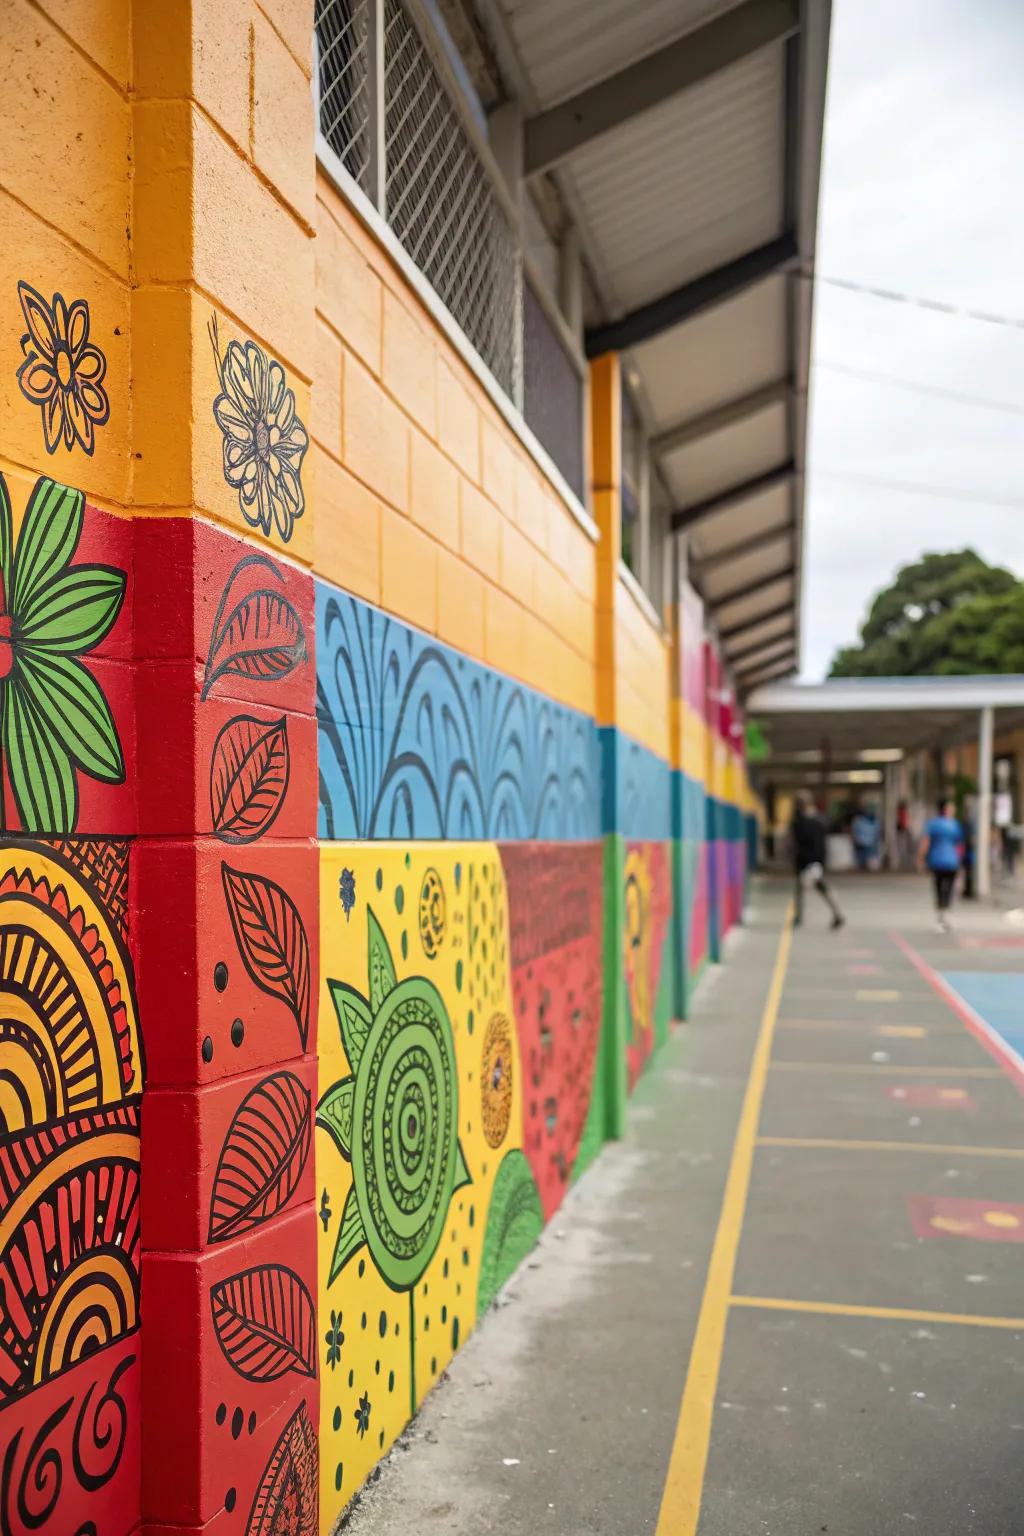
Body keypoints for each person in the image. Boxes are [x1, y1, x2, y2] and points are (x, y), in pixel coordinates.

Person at [792, 793, 844, 929]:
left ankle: (800, 916)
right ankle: (836, 915)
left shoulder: (808, 822)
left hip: (812, 862)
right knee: (819, 888)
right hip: (808, 861)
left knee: (805, 886)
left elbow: (815, 844)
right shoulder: (805, 820)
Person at [919, 797, 963, 933]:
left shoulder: (932, 824)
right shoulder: (954, 824)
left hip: (937, 861)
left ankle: (940, 917)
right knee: (948, 889)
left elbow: (925, 842)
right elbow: (959, 845)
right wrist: (960, 861)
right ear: (946, 809)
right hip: (951, 862)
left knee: (938, 888)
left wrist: (920, 858)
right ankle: (945, 916)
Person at [851, 806, 878, 871]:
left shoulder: (857, 821)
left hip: (862, 842)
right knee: (866, 859)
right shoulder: (871, 821)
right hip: (867, 842)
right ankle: (864, 869)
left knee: (862, 859)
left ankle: (863, 869)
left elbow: (854, 831)